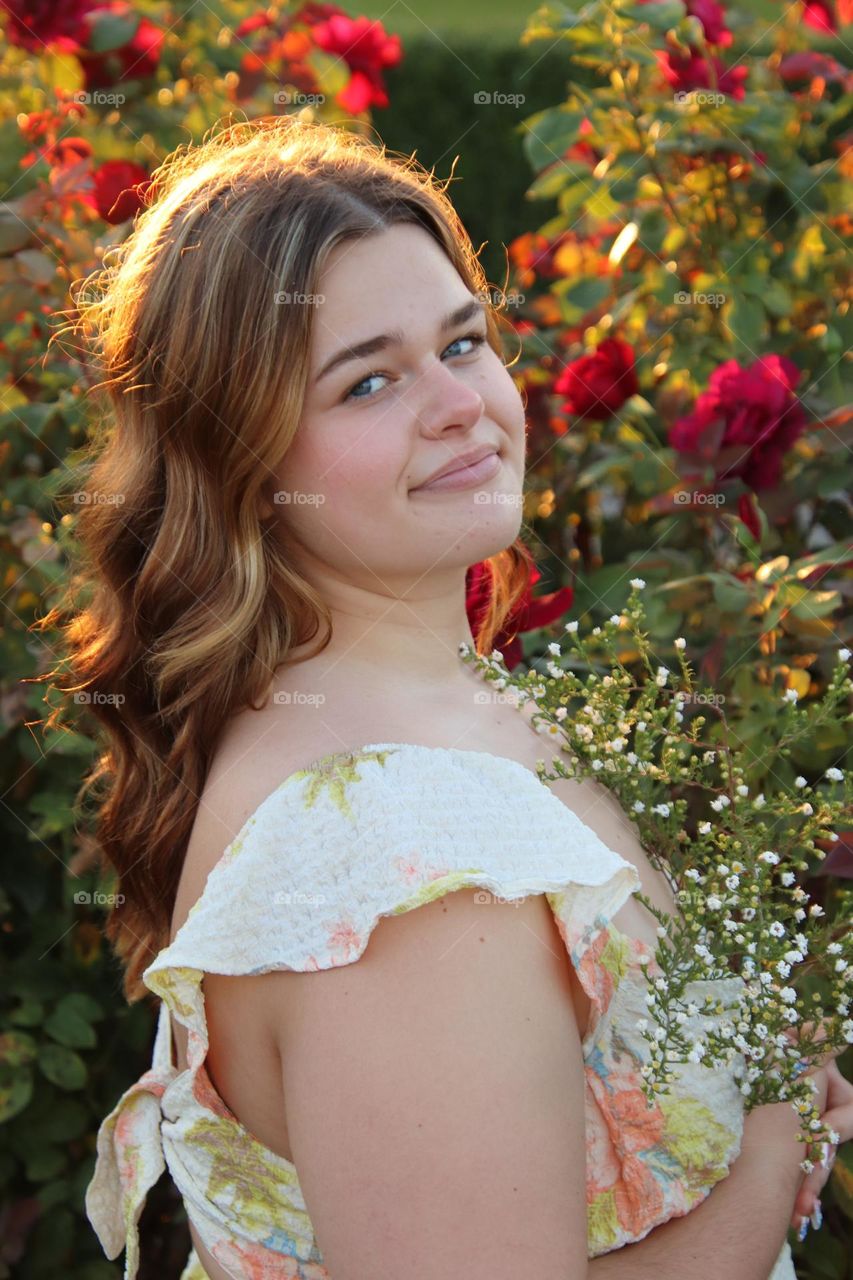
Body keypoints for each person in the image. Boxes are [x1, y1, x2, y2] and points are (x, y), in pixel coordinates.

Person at [55, 117, 850, 1280]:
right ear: (245, 465)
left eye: (463, 342)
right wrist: (775, 1134)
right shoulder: (390, 861)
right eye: (367, 379)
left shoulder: (448, 717)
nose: (458, 403)